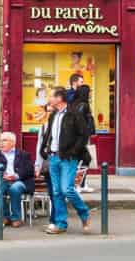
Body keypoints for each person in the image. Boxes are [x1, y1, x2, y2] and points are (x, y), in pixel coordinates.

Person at [37, 86, 89, 234]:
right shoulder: (53, 115)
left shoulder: (74, 114)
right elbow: (49, 134)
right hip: (53, 157)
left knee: (67, 189)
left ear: (59, 98)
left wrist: (73, 152)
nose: (49, 99)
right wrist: (43, 149)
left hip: (68, 158)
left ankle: (84, 213)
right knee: (56, 192)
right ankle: (60, 223)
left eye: (51, 96)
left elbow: (83, 135)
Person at [0, 130, 36, 226]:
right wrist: (0, 175)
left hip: (20, 181)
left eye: (4, 140)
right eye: (1, 140)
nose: (1, 143)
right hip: (3, 180)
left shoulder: (23, 155)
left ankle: (16, 218)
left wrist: (15, 176)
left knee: (15, 188)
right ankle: (5, 217)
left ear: (12, 142)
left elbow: (29, 170)